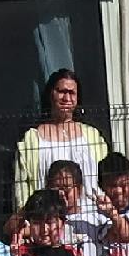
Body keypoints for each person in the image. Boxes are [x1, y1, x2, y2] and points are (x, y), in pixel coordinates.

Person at [11, 71, 111, 202]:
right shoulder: (32, 139)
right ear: (51, 94)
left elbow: (107, 177)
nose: (66, 98)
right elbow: (21, 187)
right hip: (49, 218)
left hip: (91, 217)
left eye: (72, 93)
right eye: (62, 91)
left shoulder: (92, 135)